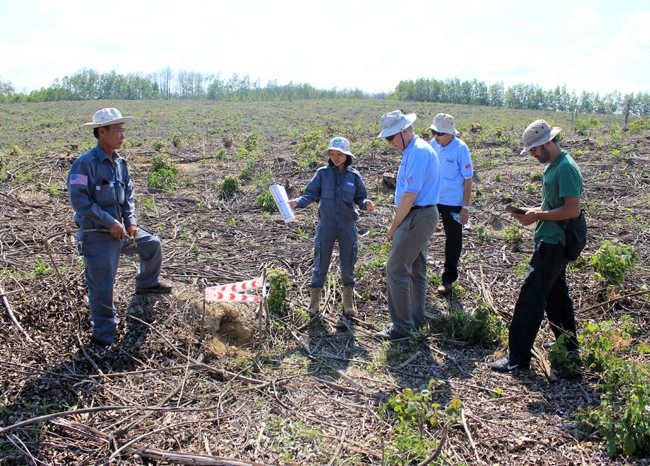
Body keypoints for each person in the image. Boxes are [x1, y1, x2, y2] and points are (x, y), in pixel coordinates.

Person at [67, 108, 172, 347]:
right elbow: (79, 201)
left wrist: (131, 221)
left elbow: (129, 196)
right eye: (118, 130)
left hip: (122, 232)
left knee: (152, 245)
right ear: (102, 132)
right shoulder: (84, 164)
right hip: (98, 235)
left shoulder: (120, 163)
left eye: (124, 130)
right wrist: (109, 222)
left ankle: (146, 285)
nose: (123, 135)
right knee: (102, 287)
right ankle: (103, 336)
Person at [489, 119, 583, 372]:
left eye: (534, 149)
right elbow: (556, 205)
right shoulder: (555, 165)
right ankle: (570, 347)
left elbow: (572, 209)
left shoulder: (565, 168)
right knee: (556, 297)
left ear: (547, 142)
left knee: (530, 299)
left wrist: (537, 216)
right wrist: (534, 211)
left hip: (554, 243)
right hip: (551, 239)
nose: (532, 154)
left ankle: (517, 359)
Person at [289, 137, 374, 317]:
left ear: (347, 155)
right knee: (321, 263)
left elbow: (360, 197)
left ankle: (348, 303)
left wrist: (366, 203)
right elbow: (310, 194)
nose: (336, 157)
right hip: (326, 225)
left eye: (340, 154)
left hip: (347, 226)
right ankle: (314, 303)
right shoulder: (322, 174)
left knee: (348, 263)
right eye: (332, 154)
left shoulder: (354, 177)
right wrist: (296, 203)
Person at [374, 110, 441, 340]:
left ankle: (402, 327)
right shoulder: (413, 151)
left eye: (390, 138)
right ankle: (415, 321)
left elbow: (409, 196)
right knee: (416, 270)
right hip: (420, 215)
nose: (389, 143)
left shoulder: (418, 153)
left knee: (396, 268)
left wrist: (393, 228)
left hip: (417, 216)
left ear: (403, 132)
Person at [429, 113, 473, 295]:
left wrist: (465, 208)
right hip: (432, 198)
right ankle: (416, 274)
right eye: (433, 132)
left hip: (452, 202)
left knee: (453, 240)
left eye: (439, 133)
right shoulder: (433, 145)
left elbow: (468, 180)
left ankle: (448, 280)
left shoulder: (461, 149)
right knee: (421, 232)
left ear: (450, 133)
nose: (435, 137)